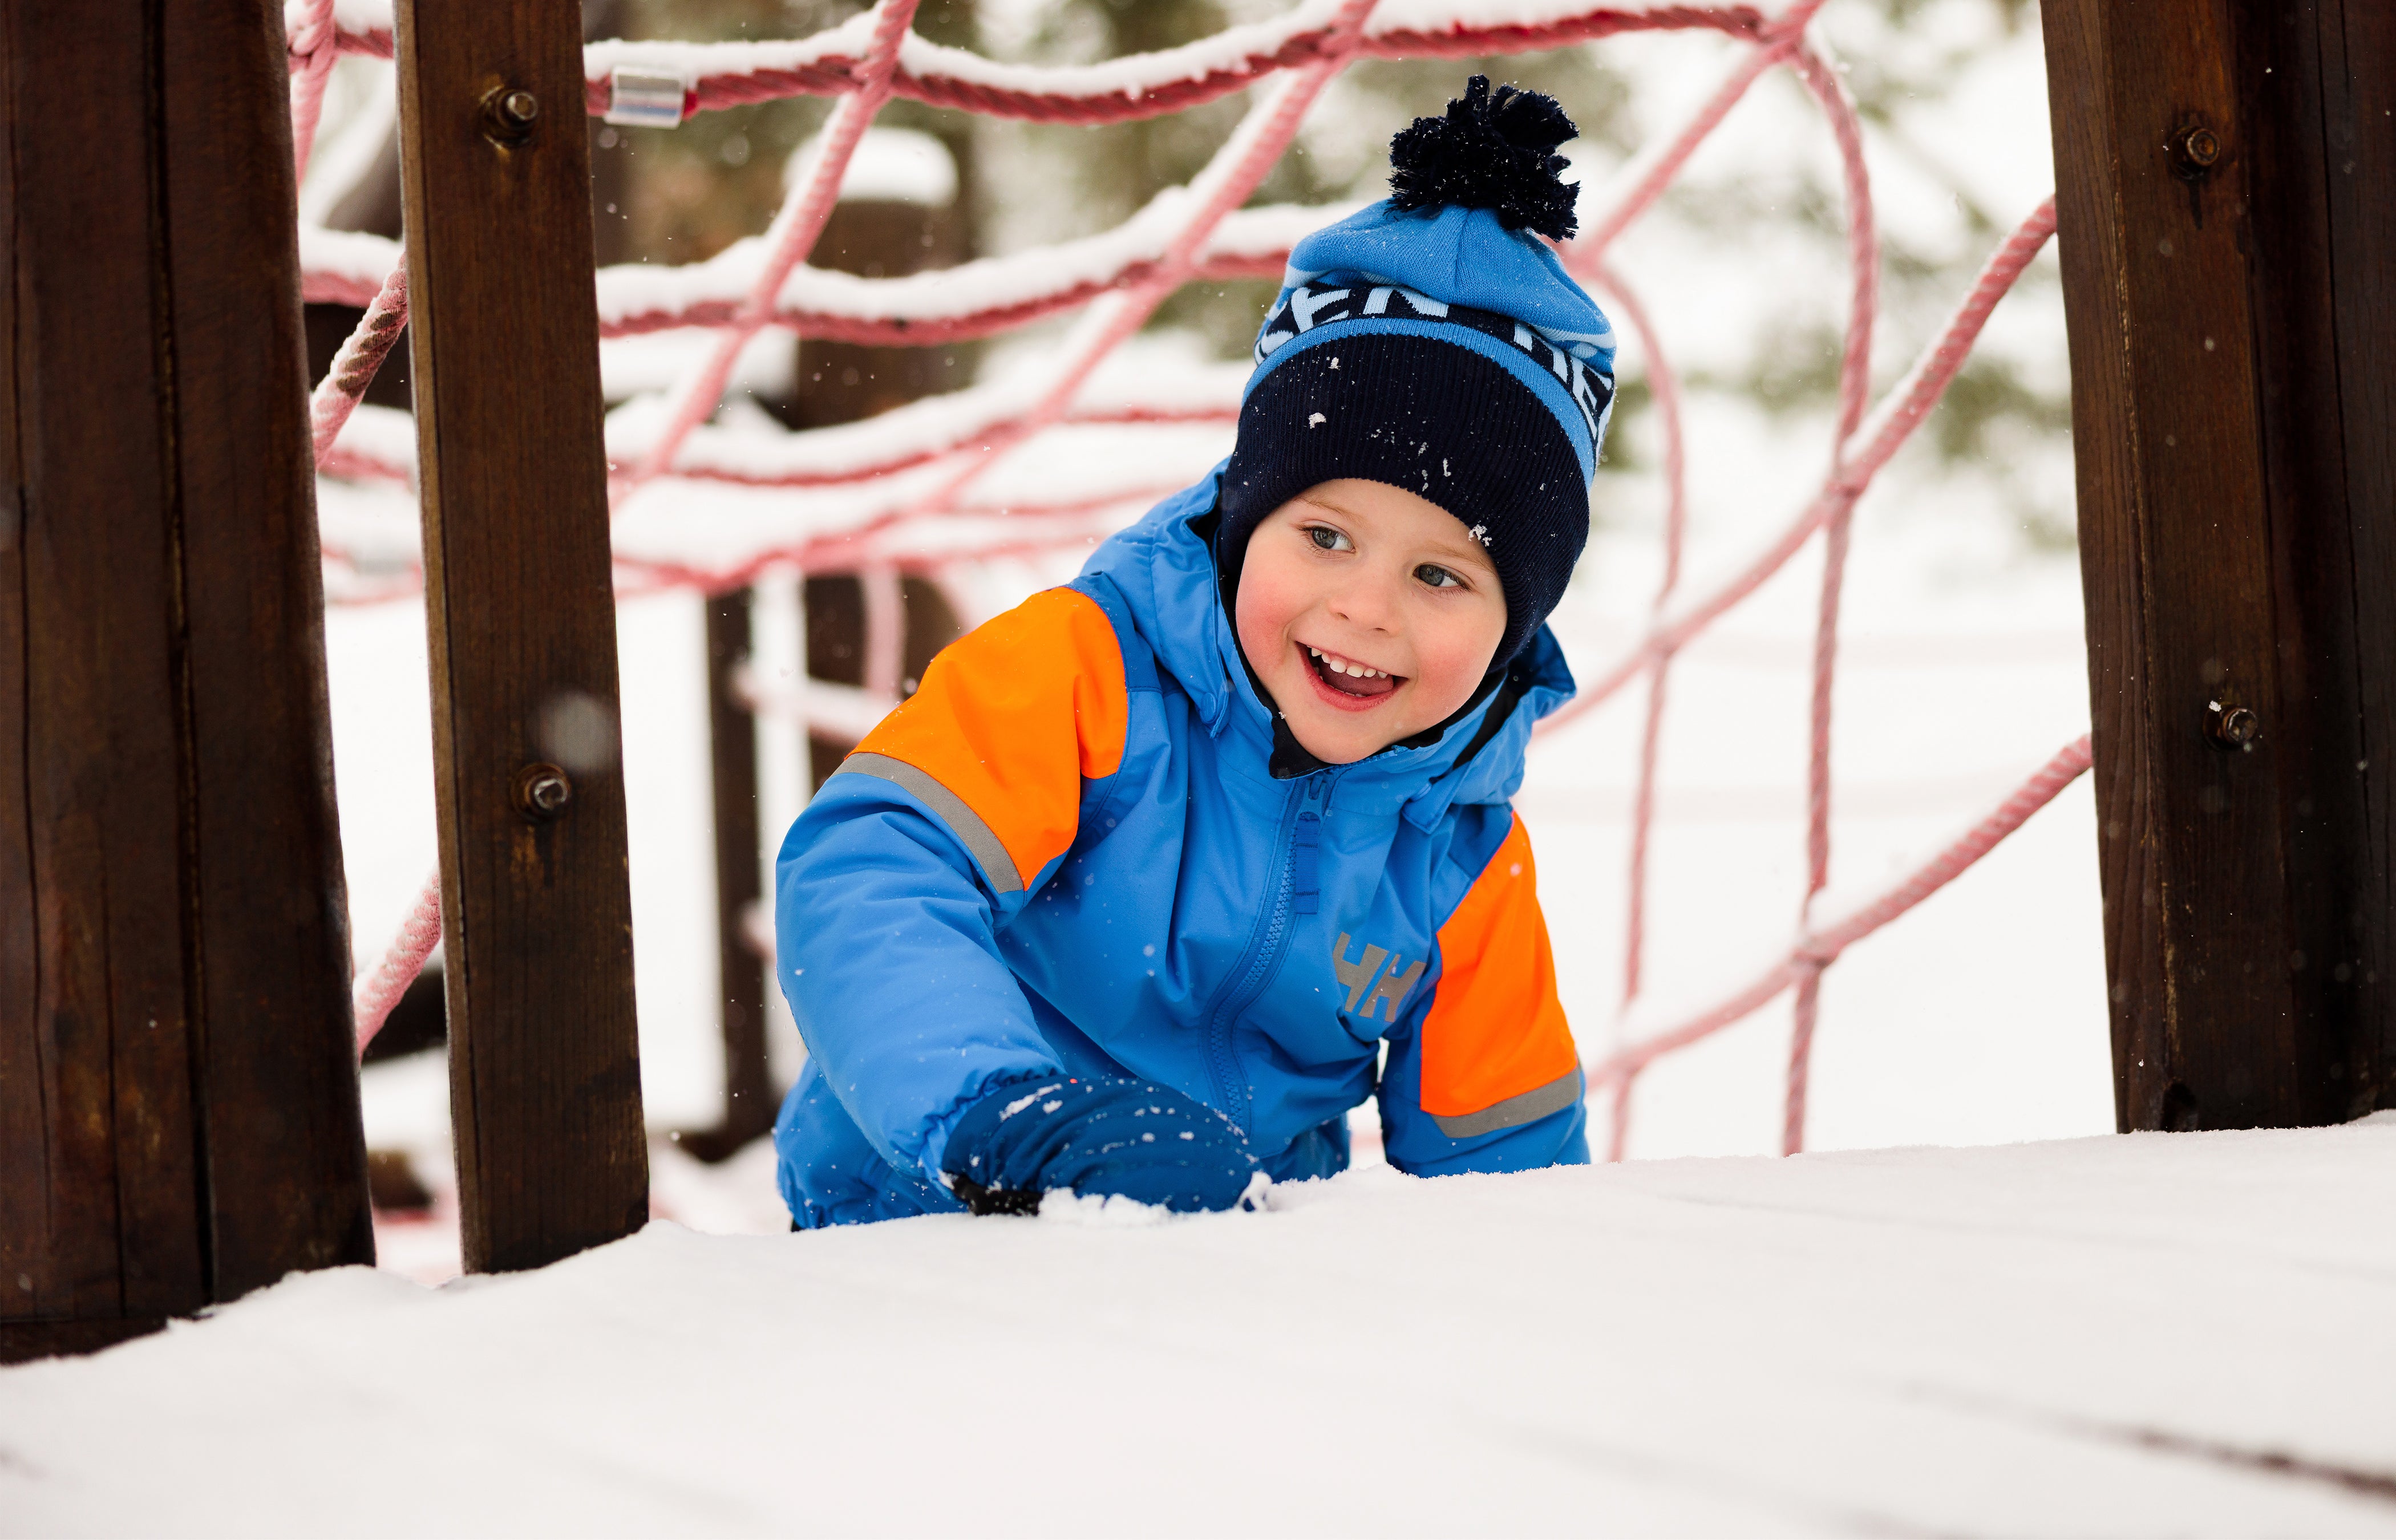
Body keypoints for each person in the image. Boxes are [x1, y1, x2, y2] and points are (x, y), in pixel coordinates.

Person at [771, 78, 1616, 1226]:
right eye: (1324, 537)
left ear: (1518, 623)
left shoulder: (1457, 852)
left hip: (1216, 1291)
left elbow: (1509, 1177)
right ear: (1242, 518)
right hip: (933, 1218)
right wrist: (993, 1111)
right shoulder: (1086, 672)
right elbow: (873, 863)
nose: (1368, 609)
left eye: (1441, 576)